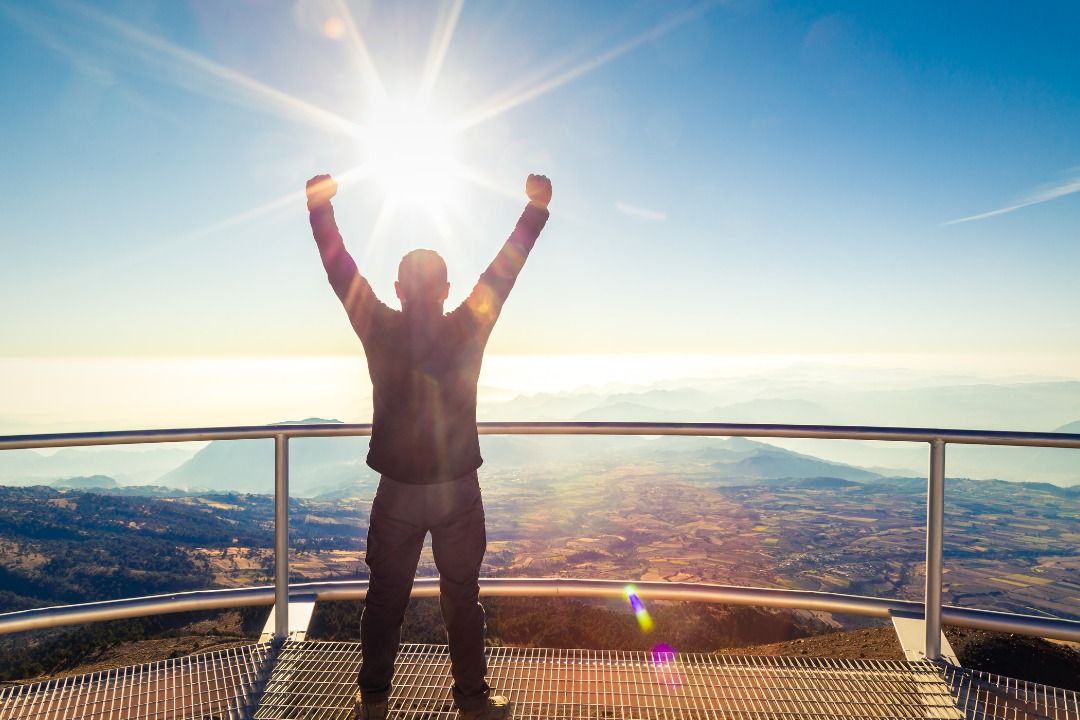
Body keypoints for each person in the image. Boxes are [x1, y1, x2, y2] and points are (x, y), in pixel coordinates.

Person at [305, 172, 552, 720]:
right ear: (445, 290)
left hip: (397, 491)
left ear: (398, 290)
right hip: (458, 489)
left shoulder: (378, 327)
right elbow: (505, 269)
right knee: (461, 598)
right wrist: (535, 208)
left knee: (384, 601)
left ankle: (374, 704)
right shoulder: (469, 326)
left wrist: (319, 208)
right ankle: (472, 701)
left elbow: (339, 267)